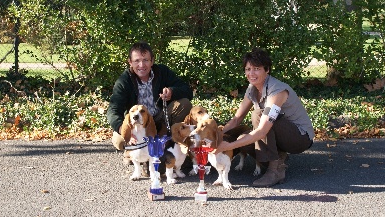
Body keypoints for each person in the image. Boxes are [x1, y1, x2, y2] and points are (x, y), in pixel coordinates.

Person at [214, 48, 314, 187]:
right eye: (248, 69)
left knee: (258, 115)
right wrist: (217, 138)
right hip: (278, 132)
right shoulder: (252, 89)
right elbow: (237, 119)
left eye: (256, 68)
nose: (251, 73)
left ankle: (275, 171)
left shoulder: (277, 90)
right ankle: (279, 158)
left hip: (299, 138)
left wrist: (229, 145)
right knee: (243, 140)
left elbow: (262, 131)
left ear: (267, 70)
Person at [107, 41, 193, 163]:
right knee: (120, 141)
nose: (141, 65)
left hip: (160, 119)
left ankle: (162, 143)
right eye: (137, 61)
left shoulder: (162, 72)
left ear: (152, 61)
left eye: (146, 60)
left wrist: (172, 92)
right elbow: (113, 110)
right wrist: (123, 129)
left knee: (184, 103)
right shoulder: (123, 81)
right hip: (137, 123)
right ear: (130, 62)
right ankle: (132, 150)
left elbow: (187, 90)